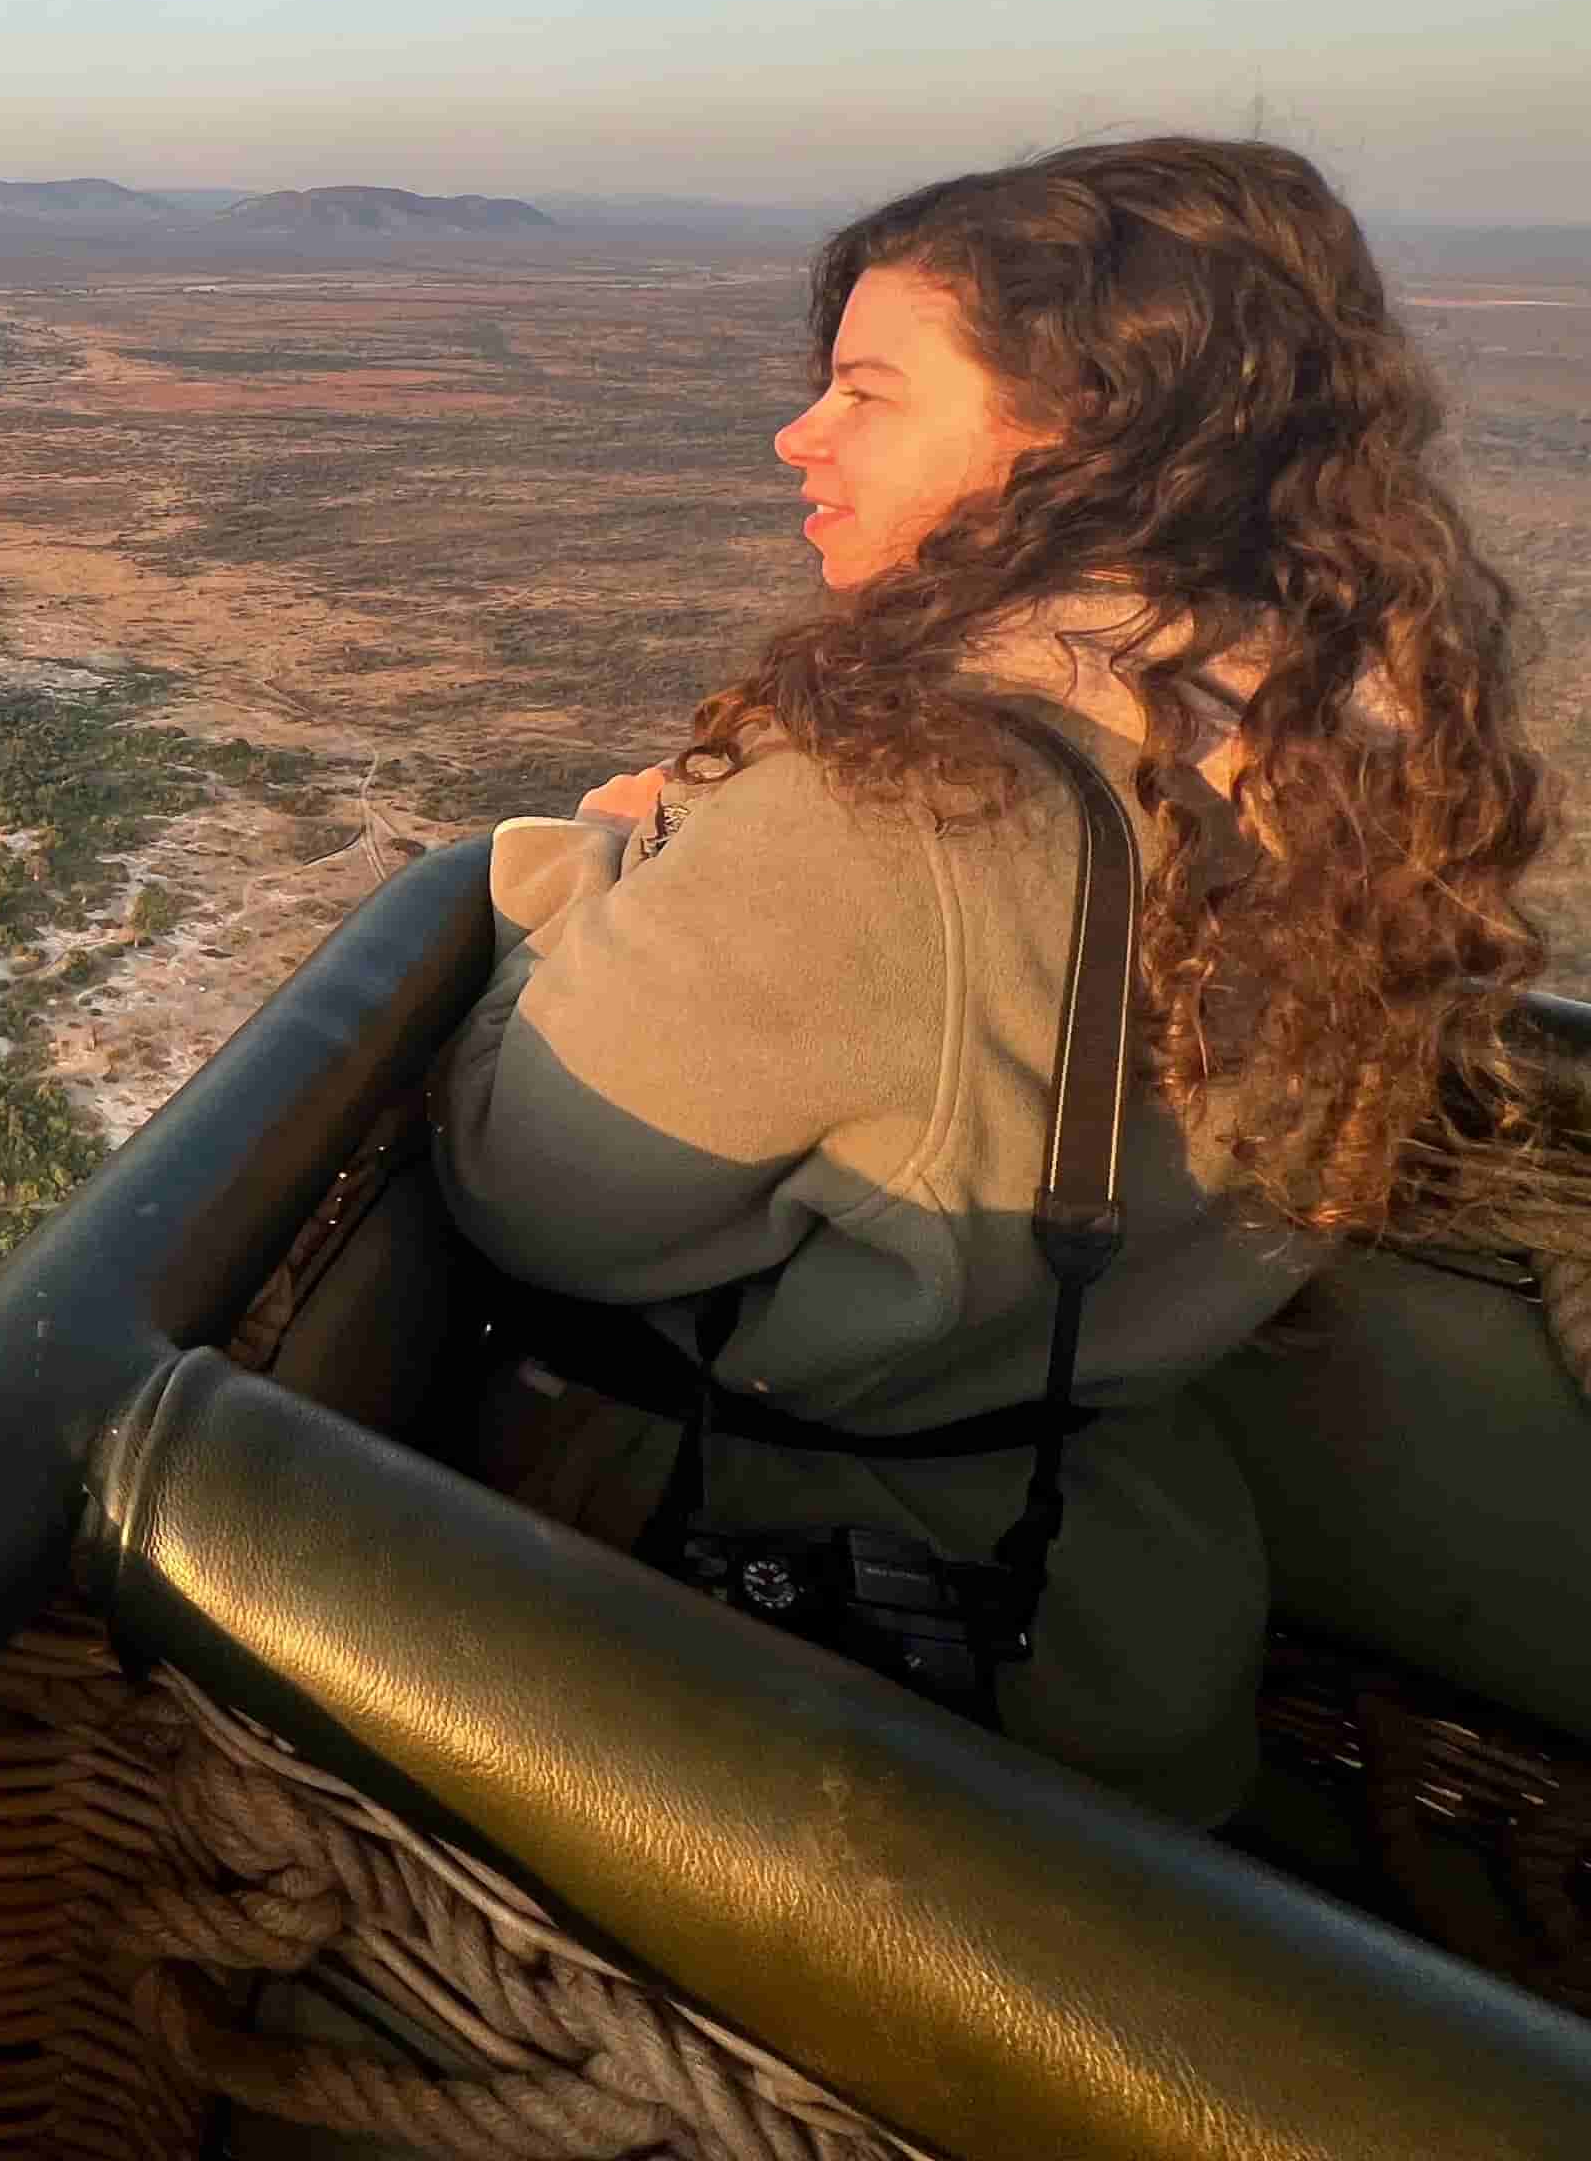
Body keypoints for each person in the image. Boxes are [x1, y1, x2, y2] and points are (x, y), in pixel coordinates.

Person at [435, 136, 1567, 1820]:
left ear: (1077, 428)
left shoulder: (903, 802)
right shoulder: (1339, 743)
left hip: (812, 1681)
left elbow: (535, 1189)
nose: (797, 435)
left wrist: (588, 860)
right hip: (1126, 1608)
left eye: (868, 393)